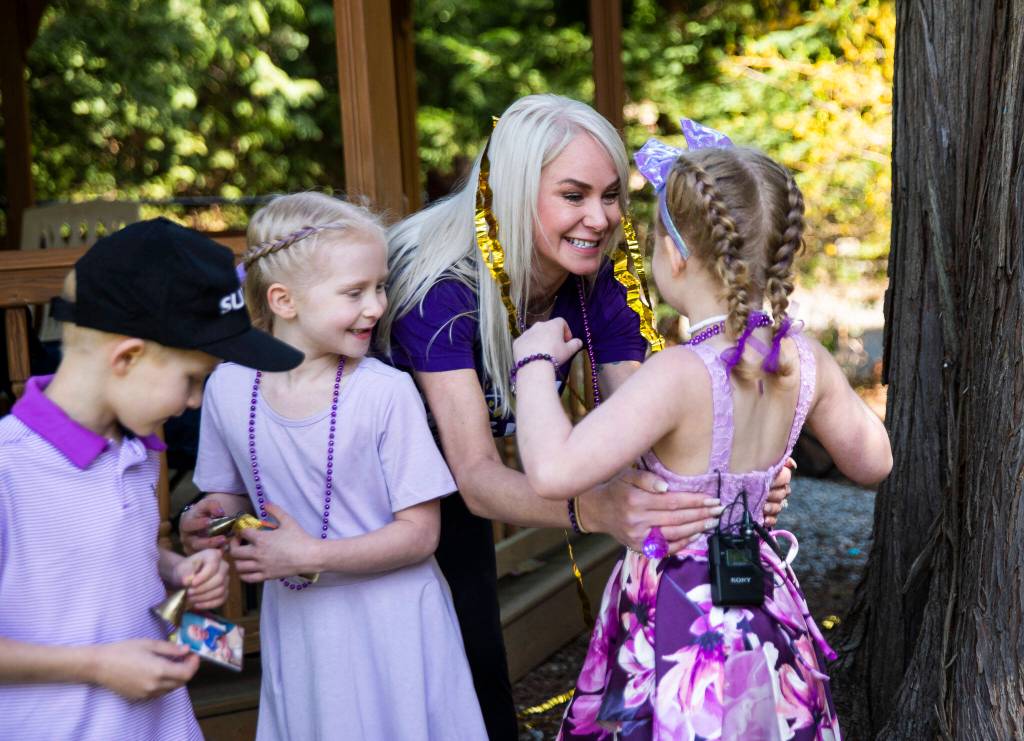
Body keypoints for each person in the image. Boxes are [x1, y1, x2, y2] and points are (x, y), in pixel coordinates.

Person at [379, 93, 794, 739]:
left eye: (610, 195)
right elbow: (476, 473)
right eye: (573, 195)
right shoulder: (440, 289)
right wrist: (594, 510)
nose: (599, 219)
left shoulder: (595, 279)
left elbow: (645, 415)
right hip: (383, 501)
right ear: (515, 192)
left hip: (465, 503)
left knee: (481, 679)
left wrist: (737, 472)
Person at [510, 129, 893, 738]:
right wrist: (765, 462)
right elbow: (874, 461)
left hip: (679, 612)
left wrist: (531, 366)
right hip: (764, 601)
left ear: (676, 253)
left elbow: (554, 471)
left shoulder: (678, 374)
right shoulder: (806, 359)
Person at [179, 193, 487, 740]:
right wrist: (206, 519)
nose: (377, 306)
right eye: (355, 292)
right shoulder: (229, 385)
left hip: (393, 626)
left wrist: (310, 555)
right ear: (284, 300)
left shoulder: (386, 392)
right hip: (301, 625)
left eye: (381, 287)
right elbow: (228, 499)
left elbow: (421, 535)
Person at [0, 218, 301, 740]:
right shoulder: (10, 470)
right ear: (128, 357)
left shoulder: (138, 450)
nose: (195, 401)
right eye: (192, 378)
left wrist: (173, 570)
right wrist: (96, 666)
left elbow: (99, 558)